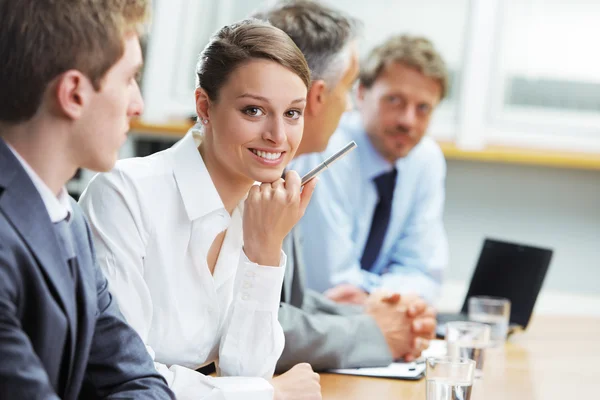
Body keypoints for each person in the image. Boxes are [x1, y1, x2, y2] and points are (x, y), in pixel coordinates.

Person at [79, 20, 321, 400]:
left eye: (293, 113)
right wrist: (266, 394)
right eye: (254, 110)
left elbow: (248, 371)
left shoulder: (263, 209)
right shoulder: (124, 194)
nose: (278, 135)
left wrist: (265, 252)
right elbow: (126, 380)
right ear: (204, 107)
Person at [0, 0, 175, 398]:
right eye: (130, 78)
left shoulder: (68, 217)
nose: (138, 105)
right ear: (74, 93)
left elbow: (138, 379)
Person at [254, 1, 437, 372]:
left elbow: (293, 303)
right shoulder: (303, 164)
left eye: (423, 108)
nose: (407, 120)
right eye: (349, 89)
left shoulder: (282, 170)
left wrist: (384, 313)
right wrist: (374, 329)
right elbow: (255, 325)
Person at [296, 34, 449, 306]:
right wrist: (396, 295)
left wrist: (370, 296)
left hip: (375, 321)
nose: (407, 121)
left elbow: (426, 275)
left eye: (423, 108)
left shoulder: (426, 158)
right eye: (395, 100)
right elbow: (330, 285)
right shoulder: (328, 149)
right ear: (361, 94)